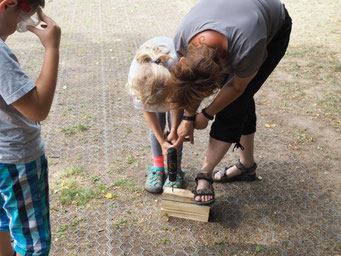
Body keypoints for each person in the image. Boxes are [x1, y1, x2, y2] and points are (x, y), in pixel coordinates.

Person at [171, 0, 292, 205]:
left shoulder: (248, 48)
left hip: (272, 24)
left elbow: (236, 87)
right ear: (183, 58)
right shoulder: (182, 39)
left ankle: (205, 174)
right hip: (237, 18)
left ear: (220, 73)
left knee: (235, 102)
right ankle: (247, 166)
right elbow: (193, 81)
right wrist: (188, 117)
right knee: (241, 98)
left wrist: (207, 114)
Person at [0, 0, 61, 255]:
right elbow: (38, 108)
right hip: (16, 160)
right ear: (8, 4)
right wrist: (52, 48)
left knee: (4, 224)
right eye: (27, 12)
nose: (24, 22)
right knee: (33, 243)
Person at [127, 37, 185, 194]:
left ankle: (176, 169)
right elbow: (148, 112)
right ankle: (158, 167)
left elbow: (177, 103)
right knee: (157, 125)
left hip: (172, 77)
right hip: (154, 87)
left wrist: (173, 132)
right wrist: (161, 140)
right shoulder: (137, 80)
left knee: (177, 127)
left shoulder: (178, 68)